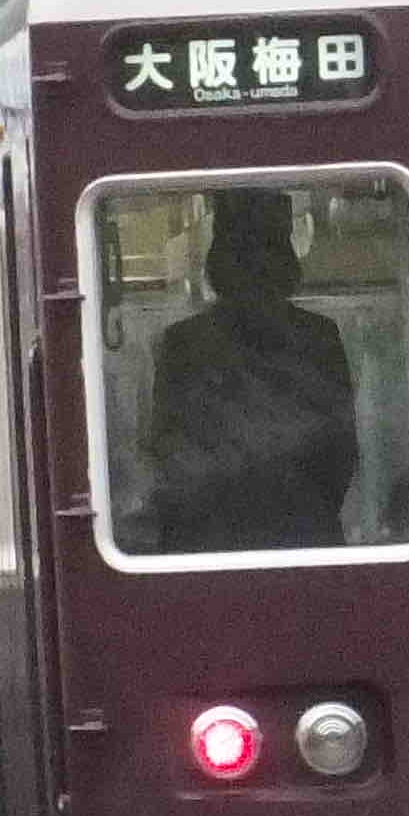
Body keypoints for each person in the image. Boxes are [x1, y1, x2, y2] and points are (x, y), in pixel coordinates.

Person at [139, 189, 361, 551]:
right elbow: (339, 456)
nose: (256, 269)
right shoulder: (319, 337)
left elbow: (165, 453)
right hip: (299, 534)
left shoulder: (182, 342)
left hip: (208, 543)